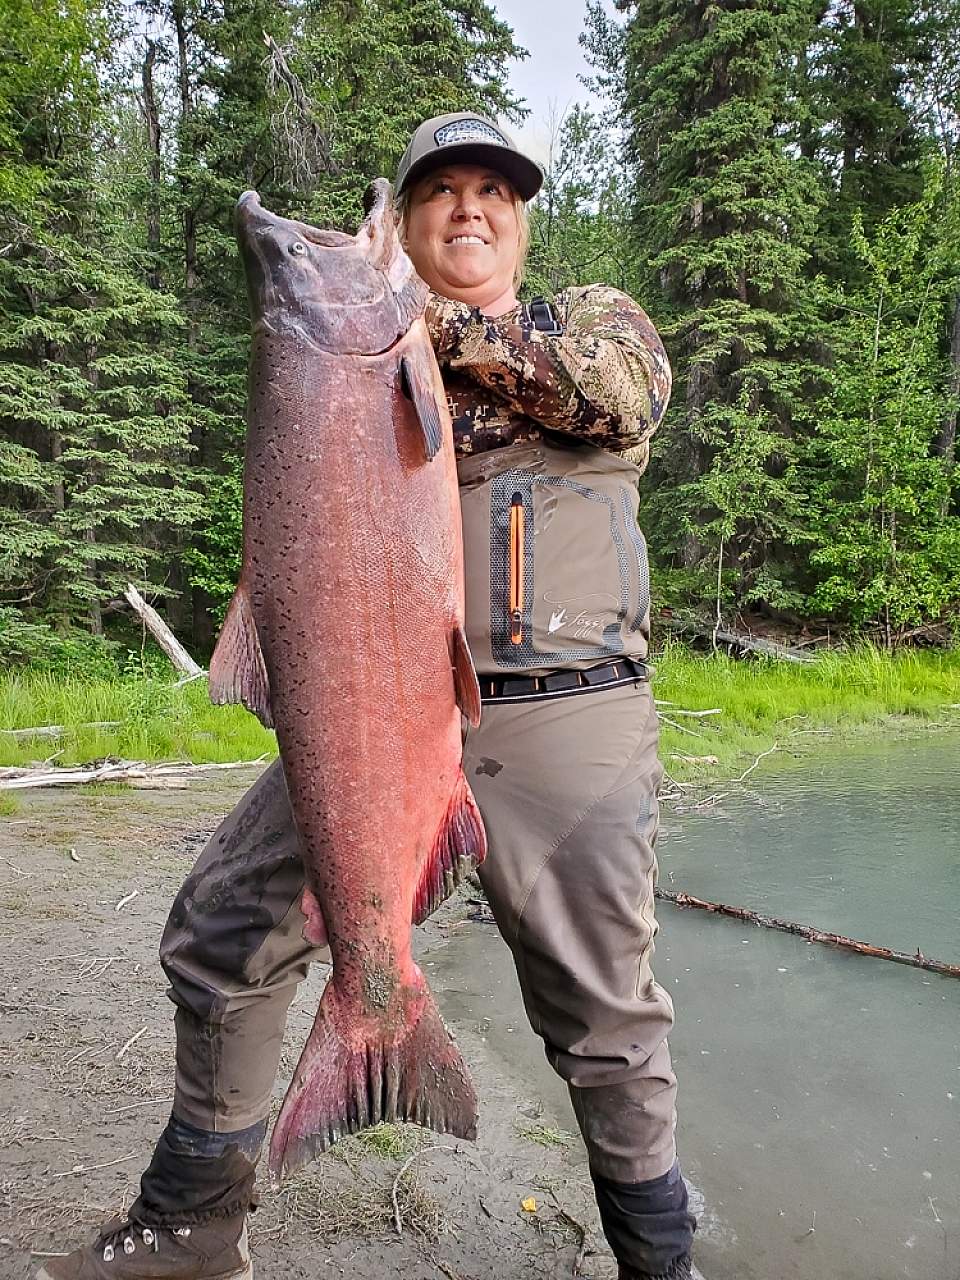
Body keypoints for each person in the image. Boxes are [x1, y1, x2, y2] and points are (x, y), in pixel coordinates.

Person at [38, 113, 697, 1280]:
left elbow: (624, 394)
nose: (468, 207)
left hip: (567, 715)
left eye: (493, 189)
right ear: (401, 219)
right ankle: (191, 1227)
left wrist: (401, 325)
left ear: (524, 219)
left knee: (604, 1021)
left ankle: (661, 1259)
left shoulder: (589, 322)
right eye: (439, 189)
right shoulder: (335, 361)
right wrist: (353, 326)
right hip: (376, 715)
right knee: (220, 935)